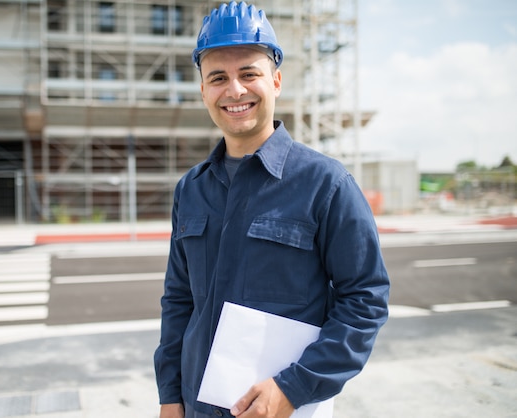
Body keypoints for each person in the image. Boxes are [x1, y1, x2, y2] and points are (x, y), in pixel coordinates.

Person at [154, 2, 390, 417]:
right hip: (197, 405)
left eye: (249, 74)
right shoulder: (190, 189)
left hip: (287, 408)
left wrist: (293, 388)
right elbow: (178, 301)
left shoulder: (327, 184)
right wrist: (170, 397)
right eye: (218, 78)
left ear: (276, 81)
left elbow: (365, 300)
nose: (235, 90)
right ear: (204, 91)